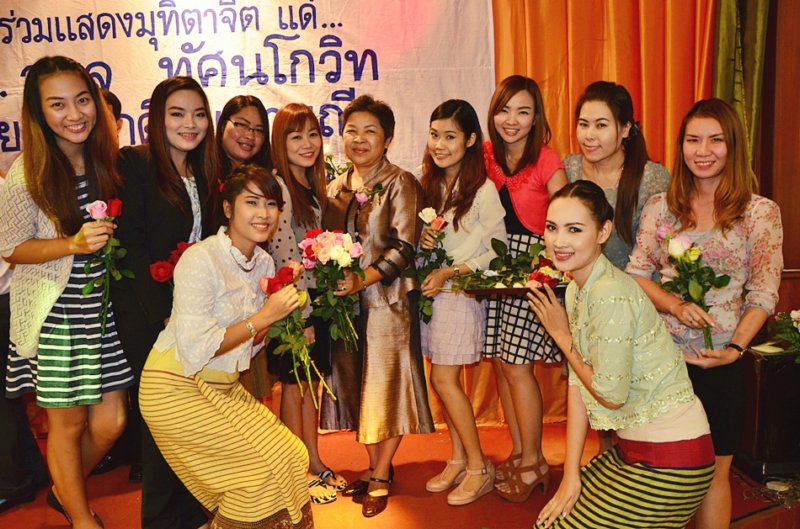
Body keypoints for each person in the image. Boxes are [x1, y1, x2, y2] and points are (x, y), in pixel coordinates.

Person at [626, 98, 783, 529]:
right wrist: (676, 305)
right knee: (661, 474)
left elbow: (763, 293)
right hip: (663, 361)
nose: (703, 150)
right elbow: (636, 274)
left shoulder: (760, 213)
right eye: (693, 140)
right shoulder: (661, 207)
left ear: (733, 146)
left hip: (722, 363)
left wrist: (734, 350)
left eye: (715, 140)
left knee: (714, 474)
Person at [528, 180, 715, 528]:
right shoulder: (578, 289)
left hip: (672, 459)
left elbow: (611, 394)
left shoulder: (609, 292)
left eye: (574, 229)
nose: (559, 241)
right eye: (552, 227)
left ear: (603, 232)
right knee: (549, 523)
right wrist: (570, 473)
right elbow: (578, 384)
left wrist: (561, 335)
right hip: (635, 450)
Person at [139, 164, 313, 529]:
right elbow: (197, 348)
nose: (264, 213)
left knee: (290, 454)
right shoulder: (201, 259)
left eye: (271, 204)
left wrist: (276, 315)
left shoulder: (263, 262)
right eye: (252, 202)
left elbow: (249, 347)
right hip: (174, 385)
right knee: (255, 477)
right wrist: (265, 316)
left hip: (221, 385)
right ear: (229, 208)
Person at [0, 55, 133, 529]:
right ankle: (81, 518)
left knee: (112, 423)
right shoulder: (28, 172)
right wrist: (71, 244)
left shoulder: (107, 162)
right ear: (38, 111)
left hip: (103, 314)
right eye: (57, 104)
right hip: (55, 316)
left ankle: (63, 487)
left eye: (82, 100)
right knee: (69, 423)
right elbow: (11, 247)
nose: (74, 114)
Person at [112, 76, 220, 529]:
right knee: (162, 417)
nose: (189, 124)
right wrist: (162, 314)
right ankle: (159, 518)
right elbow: (130, 246)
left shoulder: (207, 172)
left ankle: (189, 511)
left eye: (198, 114)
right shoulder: (135, 163)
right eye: (177, 114)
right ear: (157, 118)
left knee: (191, 416)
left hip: (192, 312)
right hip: (147, 312)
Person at [321, 94, 434, 517]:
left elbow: (404, 247)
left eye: (370, 131)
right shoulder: (336, 188)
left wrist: (362, 279)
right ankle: (373, 467)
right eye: (352, 130)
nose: (359, 139)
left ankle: (382, 473)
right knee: (356, 389)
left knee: (388, 387)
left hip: (388, 303)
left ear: (387, 139)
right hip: (346, 310)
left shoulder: (400, 183)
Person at [483, 74, 567, 502]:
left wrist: (549, 265)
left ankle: (535, 461)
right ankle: (519, 451)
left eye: (523, 111)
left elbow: (566, 212)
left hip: (532, 268)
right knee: (501, 363)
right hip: (492, 266)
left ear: (536, 118)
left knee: (518, 365)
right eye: (504, 110)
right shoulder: (486, 154)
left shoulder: (547, 158)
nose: (512, 120)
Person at [418, 99, 506, 505]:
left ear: (470, 140)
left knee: (443, 380)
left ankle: (478, 467)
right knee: (440, 380)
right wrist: (423, 242)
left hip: (459, 294)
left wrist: (451, 272)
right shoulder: (430, 184)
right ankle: (457, 459)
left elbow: (496, 250)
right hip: (434, 296)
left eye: (450, 136)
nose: (440, 145)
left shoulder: (483, 190)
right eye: (434, 135)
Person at [268, 102, 345, 503]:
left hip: (311, 299)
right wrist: (303, 314)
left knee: (309, 386)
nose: (307, 143)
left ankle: (313, 460)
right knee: (294, 387)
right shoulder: (280, 187)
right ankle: (297, 470)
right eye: (295, 136)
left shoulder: (309, 187)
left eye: (313, 134)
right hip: (293, 302)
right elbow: (284, 257)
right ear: (279, 143)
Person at [563, 80, 669, 270]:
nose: (589, 135)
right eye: (583, 124)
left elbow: (664, 248)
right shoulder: (569, 169)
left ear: (625, 129)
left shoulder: (652, 178)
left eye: (601, 125)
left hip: (635, 284)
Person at [215, 95, 273, 400]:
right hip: (214, 304)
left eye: (258, 130)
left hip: (250, 304)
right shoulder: (203, 175)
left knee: (251, 403)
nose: (249, 135)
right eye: (242, 125)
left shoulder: (265, 180)